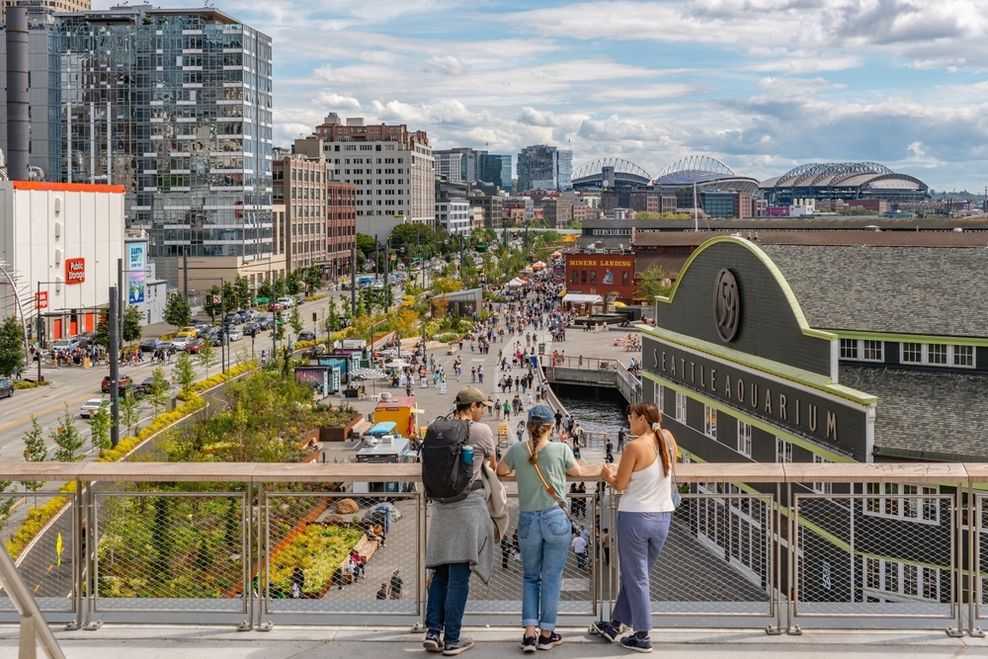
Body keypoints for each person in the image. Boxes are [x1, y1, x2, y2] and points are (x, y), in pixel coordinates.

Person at [497, 404, 603, 653]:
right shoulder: (560, 449)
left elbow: (501, 470)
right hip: (555, 518)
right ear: (552, 427)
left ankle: (529, 634)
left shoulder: (517, 449)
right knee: (552, 579)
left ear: (529, 426)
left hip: (527, 520)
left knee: (530, 577)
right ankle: (547, 634)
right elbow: (576, 473)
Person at [592, 402, 678, 653]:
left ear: (642, 419)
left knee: (636, 577)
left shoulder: (634, 446)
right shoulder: (668, 438)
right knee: (638, 576)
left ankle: (642, 635)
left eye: (631, 417)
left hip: (636, 517)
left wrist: (607, 474)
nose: (629, 421)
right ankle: (615, 624)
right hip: (663, 516)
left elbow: (619, 484)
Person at [423, 386, 497, 656]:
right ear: (473, 406)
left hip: (441, 508)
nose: (483, 411)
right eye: (482, 407)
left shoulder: (437, 428)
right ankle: (452, 639)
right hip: (467, 507)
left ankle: (433, 631)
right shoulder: (482, 431)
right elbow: (494, 463)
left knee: (441, 571)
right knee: (459, 575)